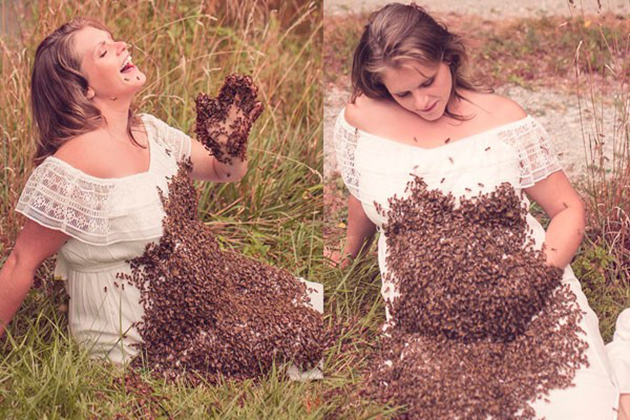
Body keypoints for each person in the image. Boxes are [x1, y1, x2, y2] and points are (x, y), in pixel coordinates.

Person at [331, 3, 630, 418]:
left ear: (447, 57)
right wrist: (347, 253)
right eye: (403, 93)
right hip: (425, 309)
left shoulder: (503, 118)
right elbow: (362, 189)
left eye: (428, 81)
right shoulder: (362, 119)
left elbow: (567, 208)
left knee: (573, 405)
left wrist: (531, 284)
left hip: (523, 284)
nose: (422, 100)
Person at [0, 17, 323, 369]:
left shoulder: (149, 131)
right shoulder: (73, 166)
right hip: (142, 334)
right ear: (84, 89)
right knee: (303, 338)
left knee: (311, 300)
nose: (122, 45)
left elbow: (223, 170)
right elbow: (21, 262)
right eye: (104, 51)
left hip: (204, 292)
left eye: (113, 39)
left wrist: (230, 139)